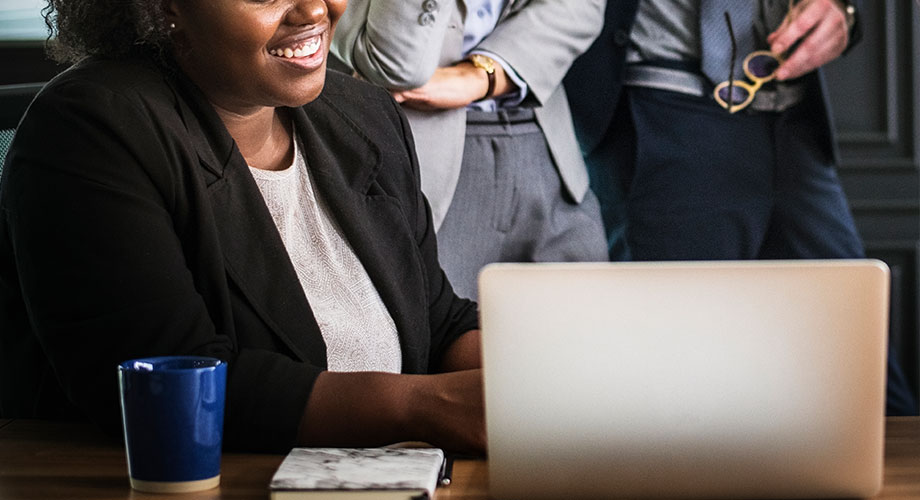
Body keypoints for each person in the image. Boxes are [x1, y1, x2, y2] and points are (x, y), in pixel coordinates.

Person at [0, 0, 486, 454]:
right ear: (165, 9)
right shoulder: (89, 130)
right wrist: (426, 407)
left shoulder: (363, 115)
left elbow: (436, 324)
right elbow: (170, 382)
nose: (315, 9)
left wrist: (532, 365)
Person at [565, 0, 918, 415]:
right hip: (667, 111)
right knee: (677, 402)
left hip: (796, 123)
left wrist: (843, 10)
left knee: (870, 400)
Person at [330, 0, 609, 300]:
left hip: (544, 143)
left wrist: (482, 75)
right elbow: (396, 64)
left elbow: (581, 7)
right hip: (416, 159)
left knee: (587, 330)